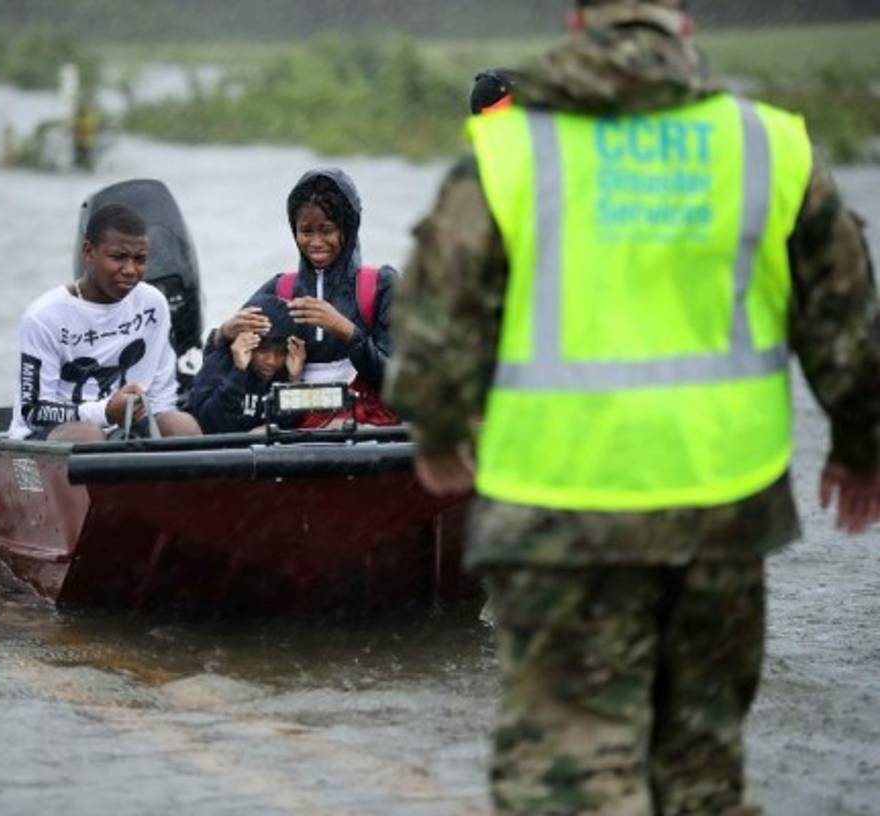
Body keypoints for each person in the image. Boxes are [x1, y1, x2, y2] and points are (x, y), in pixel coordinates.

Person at [386, 1, 880, 814]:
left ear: (578, 25)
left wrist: (436, 429)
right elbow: (846, 323)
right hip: (722, 504)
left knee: (569, 773)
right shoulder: (766, 144)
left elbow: (436, 319)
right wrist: (858, 443)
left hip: (559, 508)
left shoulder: (513, 148)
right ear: (683, 25)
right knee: (701, 769)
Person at [215, 168, 399, 427]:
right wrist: (223, 334)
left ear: (348, 228)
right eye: (306, 231)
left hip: (365, 421)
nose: (316, 242)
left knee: (337, 432)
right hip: (290, 422)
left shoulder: (382, 286)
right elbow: (218, 361)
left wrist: (347, 332)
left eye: (327, 230)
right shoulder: (280, 289)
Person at [10, 203, 200, 442]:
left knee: (182, 425)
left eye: (140, 259)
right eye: (118, 257)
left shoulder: (154, 303)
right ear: (89, 252)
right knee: (87, 435)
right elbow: (33, 411)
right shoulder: (43, 317)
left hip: (128, 427)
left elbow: (162, 396)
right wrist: (106, 412)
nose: (130, 270)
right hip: (56, 432)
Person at [188, 292, 306, 434]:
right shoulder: (219, 363)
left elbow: (290, 423)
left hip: (263, 453)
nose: (271, 361)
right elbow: (210, 422)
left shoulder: (285, 373)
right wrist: (238, 373)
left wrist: (294, 382)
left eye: (280, 353)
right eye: (263, 351)